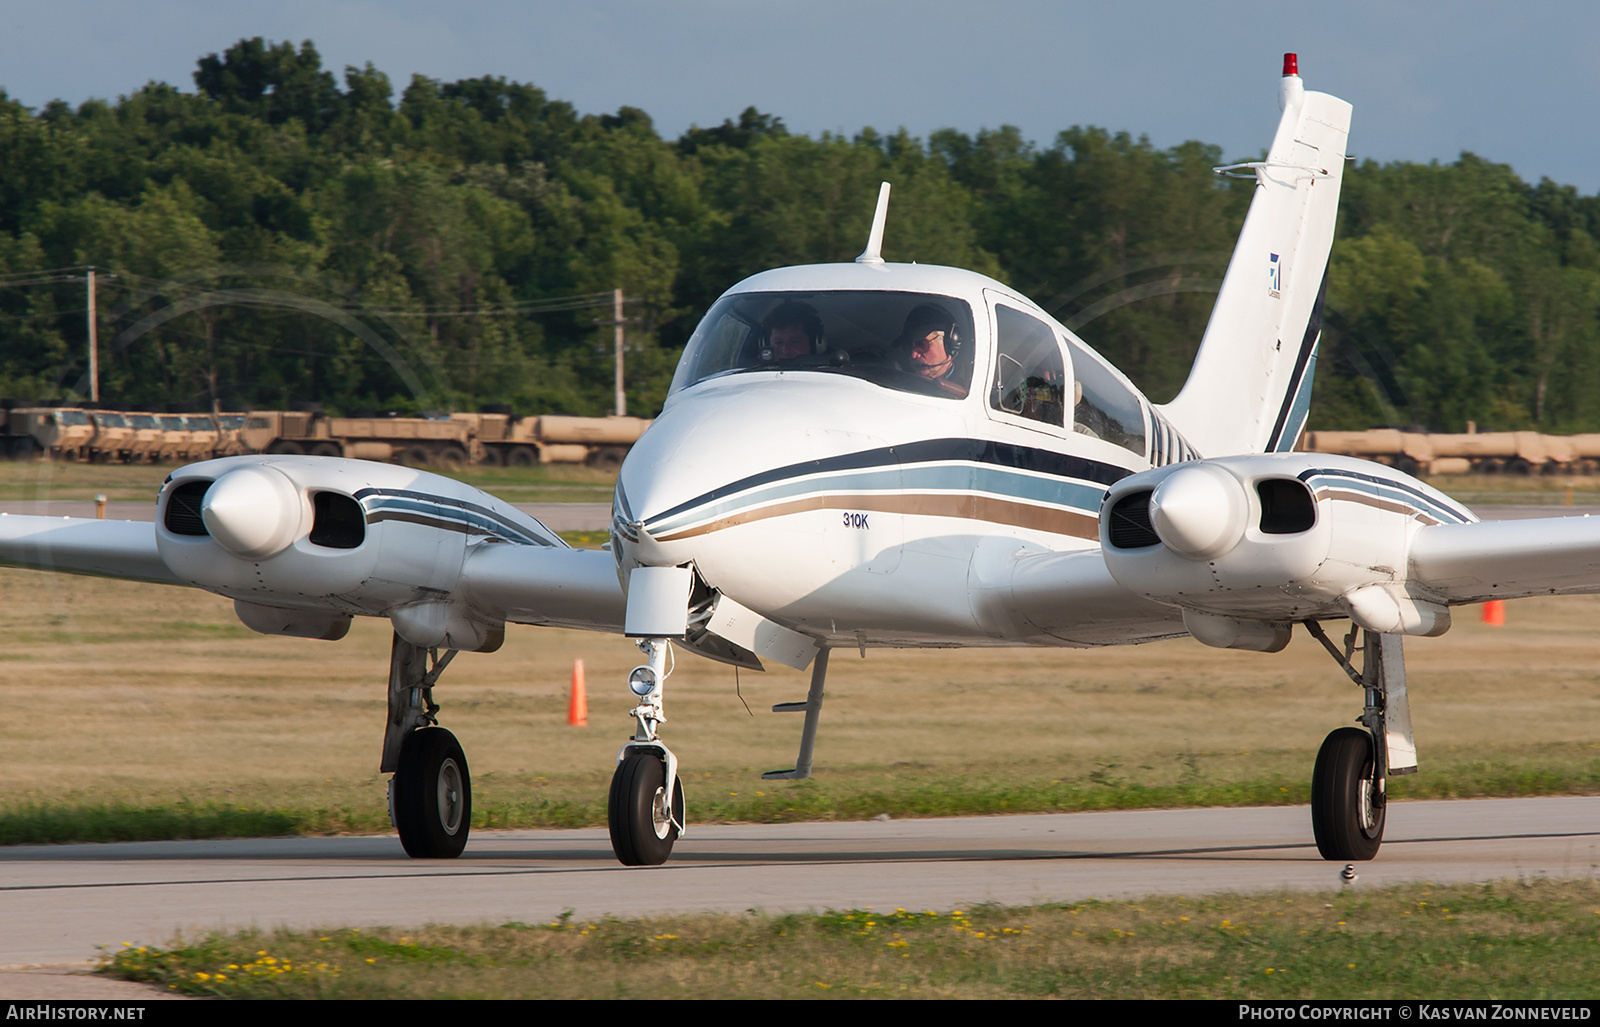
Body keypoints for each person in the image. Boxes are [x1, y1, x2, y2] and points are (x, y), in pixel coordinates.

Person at [895, 304, 967, 397]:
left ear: (948, 344)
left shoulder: (973, 385)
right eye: (908, 347)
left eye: (922, 345)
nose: (913, 355)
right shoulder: (899, 382)